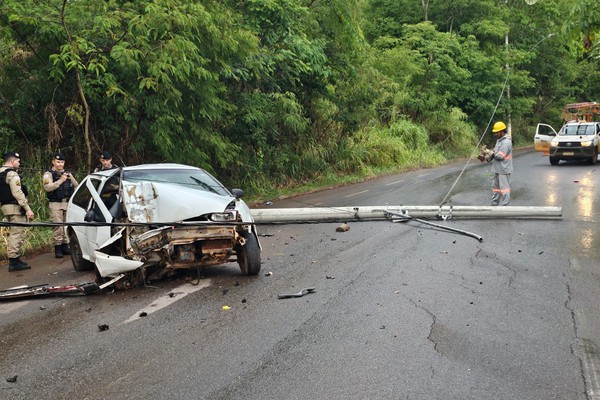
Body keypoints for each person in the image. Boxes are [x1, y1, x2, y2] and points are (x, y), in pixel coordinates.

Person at [0, 152, 34, 271]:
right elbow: (17, 193)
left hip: (5, 207)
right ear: (13, 161)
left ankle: (15, 259)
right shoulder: (12, 174)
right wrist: (28, 209)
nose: (19, 163)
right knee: (17, 233)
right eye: (18, 161)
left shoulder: (1, 173)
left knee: (13, 233)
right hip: (15, 208)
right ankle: (14, 262)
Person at [43, 152, 79, 258]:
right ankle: (58, 247)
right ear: (53, 162)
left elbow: (77, 185)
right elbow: (47, 187)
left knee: (66, 225)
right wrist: (60, 180)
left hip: (67, 203)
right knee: (57, 226)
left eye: (62, 162)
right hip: (55, 203)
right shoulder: (48, 174)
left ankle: (65, 245)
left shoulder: (67, 173)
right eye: (58, 162)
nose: (60, 164)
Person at [480, 121, 513, 206]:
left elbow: (500, 156)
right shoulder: (499, 141)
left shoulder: (506, 142)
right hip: (497, 169)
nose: (495, 134)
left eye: (496, 132)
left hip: (504, 169)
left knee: (504, 189)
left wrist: (488, 151)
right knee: (496, 189)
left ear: (502, 131)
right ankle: (494, 205)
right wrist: (486, 158)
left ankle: (505, 207)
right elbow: (495, 153)